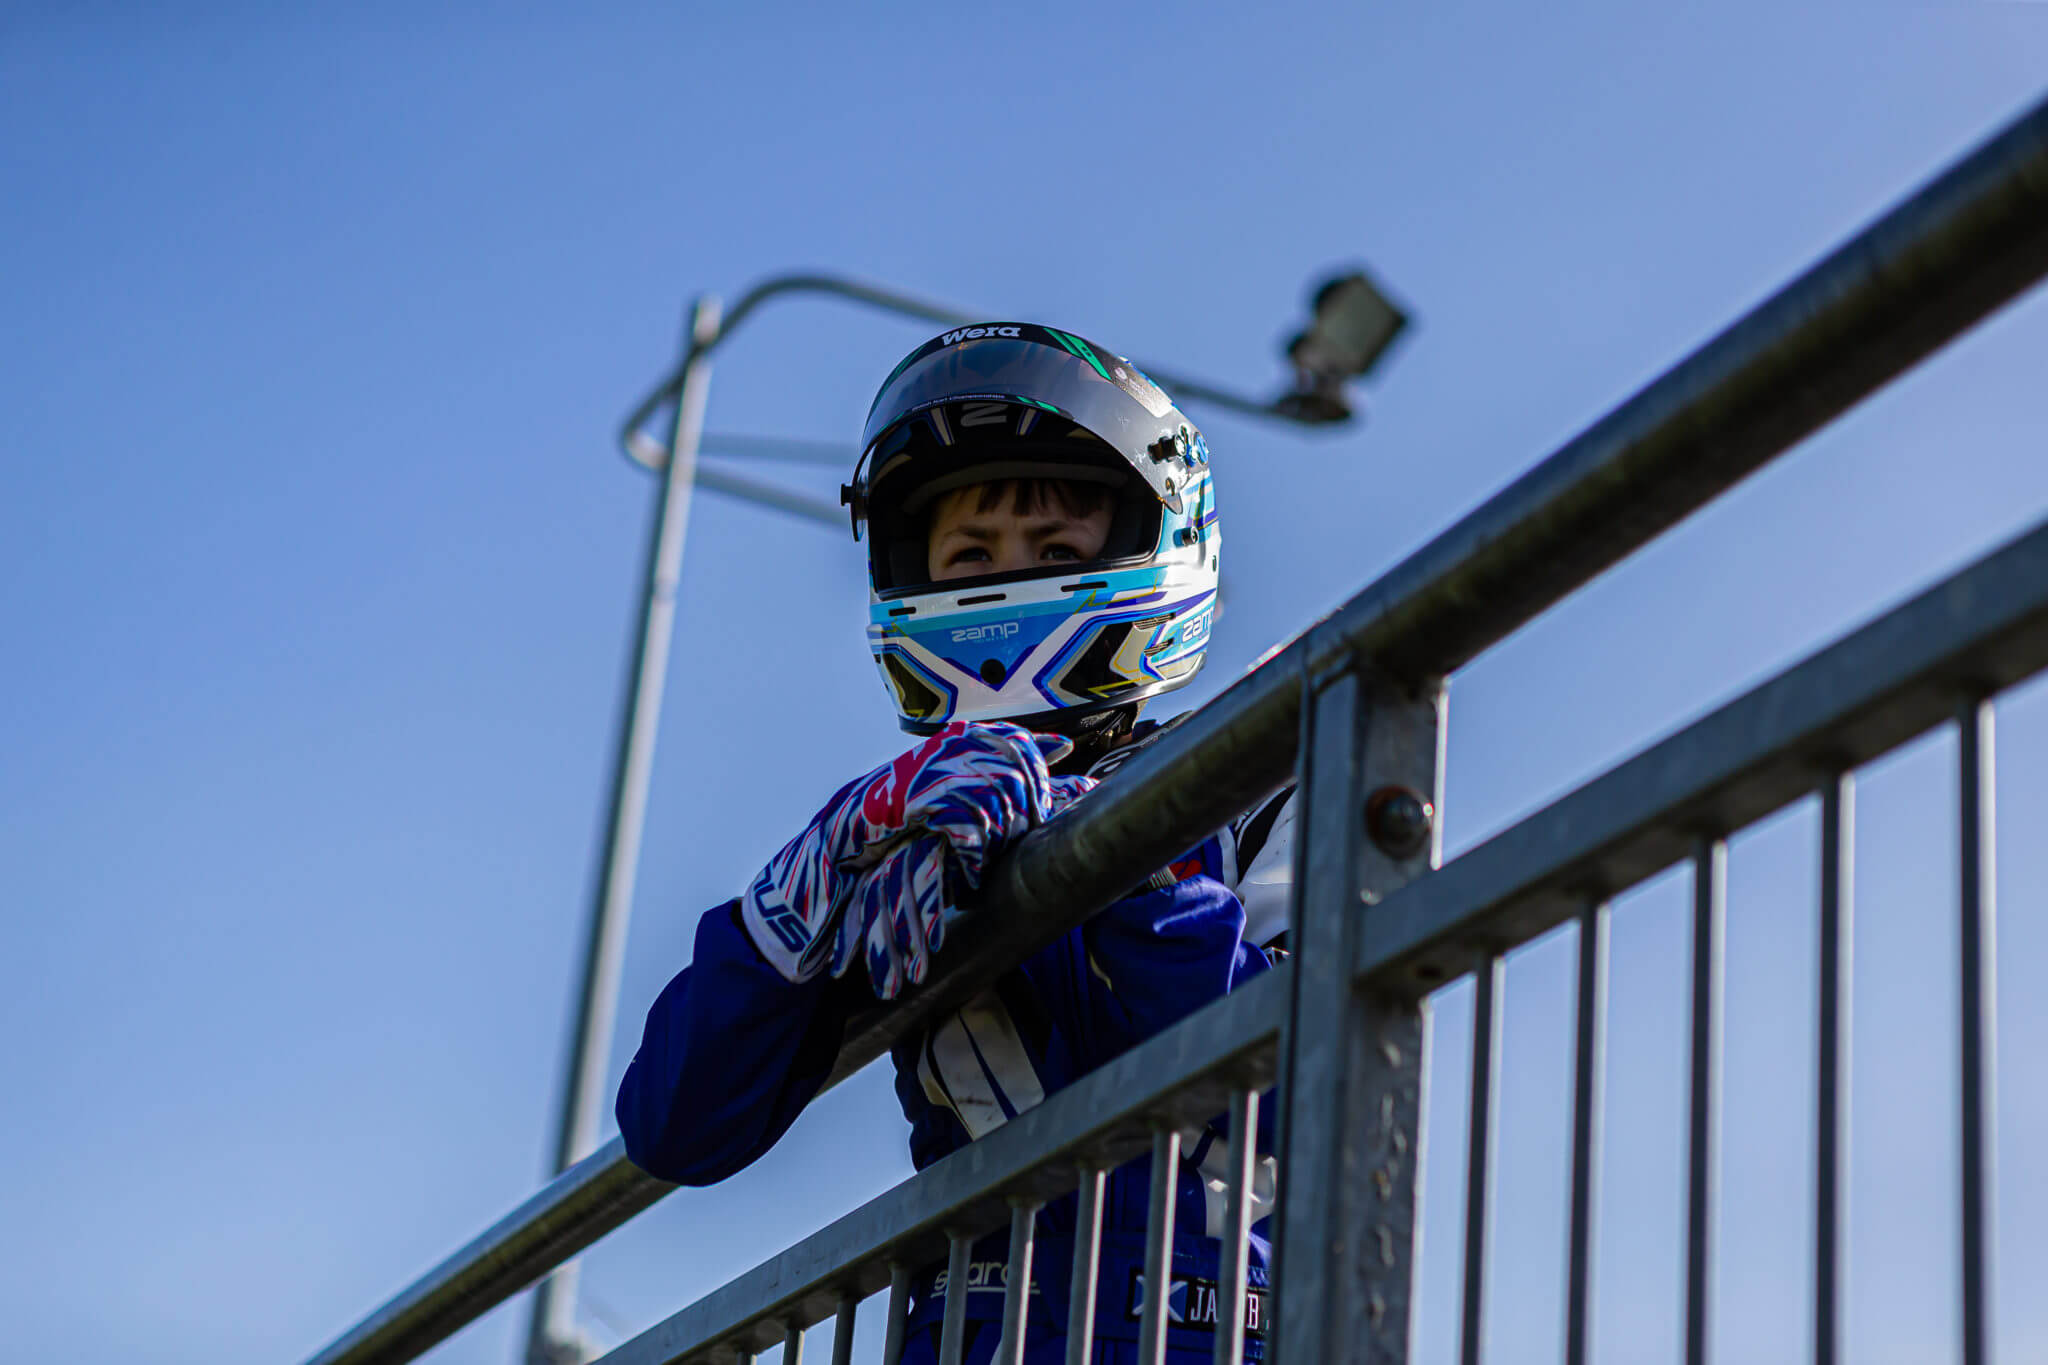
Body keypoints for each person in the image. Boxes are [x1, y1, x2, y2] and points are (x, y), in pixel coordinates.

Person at [616, 323, 1296, 1363]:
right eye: (970, 556)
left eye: (1054, 553)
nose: (1004, 581)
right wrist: (810, 879)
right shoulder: (910, 835)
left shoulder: (1247, 781)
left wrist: (1115, 856)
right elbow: (677, 1124)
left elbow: (1298, 1079)